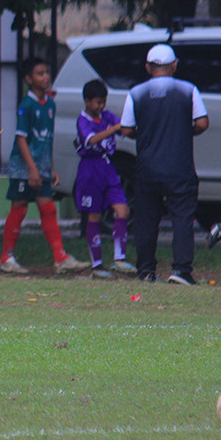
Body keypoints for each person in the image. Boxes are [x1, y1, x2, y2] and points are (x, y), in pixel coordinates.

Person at [120, 44, 209, 285]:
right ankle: (181, 270)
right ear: (174, 65)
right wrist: (183, 131)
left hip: (147, 168)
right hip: (180, 168)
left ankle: (146, 271)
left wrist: (147, 134)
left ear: (148, 68)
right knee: (182, 219)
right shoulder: (188, 90)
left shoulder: (136, 93)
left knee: (147, 221)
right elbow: (202, 123)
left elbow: (126, 128)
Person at [0, 57, 90, 275]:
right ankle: (6, 257)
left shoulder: (50, 104)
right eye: (40, 73)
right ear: (29, 79)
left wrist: (50, 168)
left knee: (48, 209)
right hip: (24, 168)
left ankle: (60, 258)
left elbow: (46, 139)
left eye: (47, 72)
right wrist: (31, 169)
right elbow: (21, 140)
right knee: (19, 207)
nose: (46, 77)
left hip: (41, 168)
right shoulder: (26, 105)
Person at [74, 79, 136, 278]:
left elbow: (124, 127)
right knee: (94, 216)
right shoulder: (82, 120)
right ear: (87, 101)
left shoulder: (106, 116)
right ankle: (97, 265)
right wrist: (114, 128)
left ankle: (119, 258)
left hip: (108, 168)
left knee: (122, 210)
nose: (101, 106)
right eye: (97, 102)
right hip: (90, 171)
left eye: (103, 102)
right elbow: (91, 140)